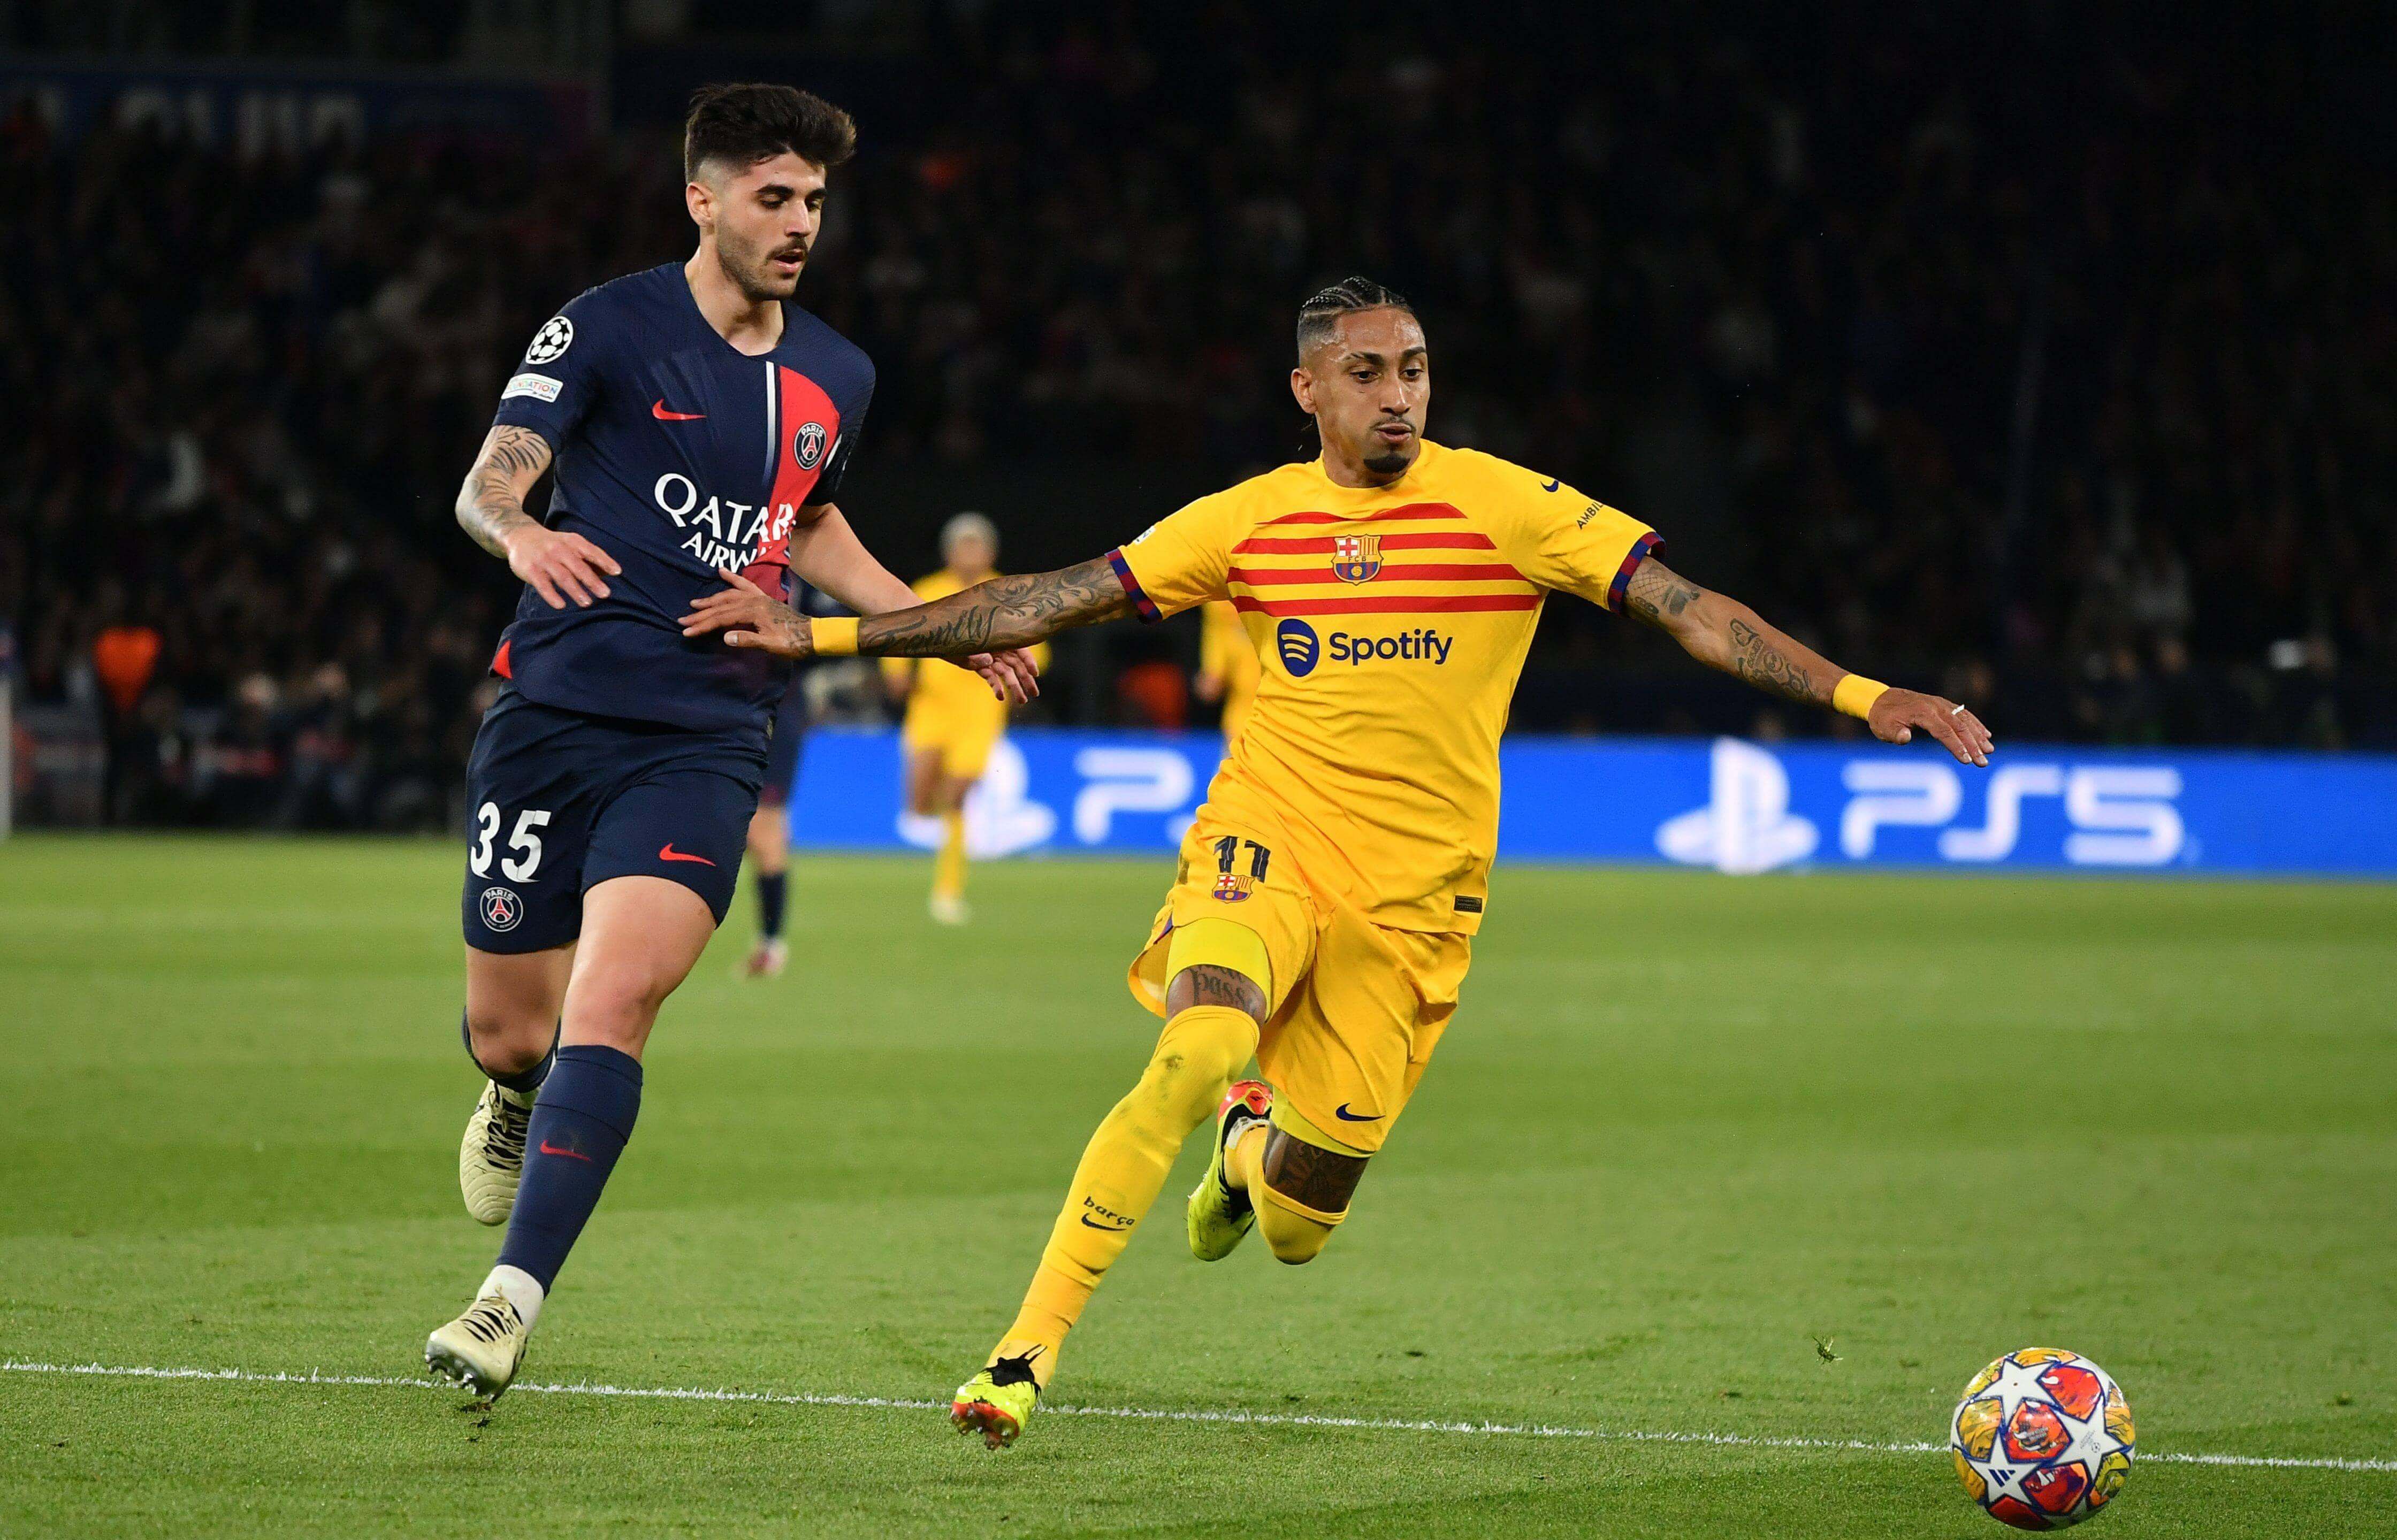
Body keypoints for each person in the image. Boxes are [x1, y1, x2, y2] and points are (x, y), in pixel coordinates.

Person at [678, 276, 1993, 1449]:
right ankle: (1023, 1354)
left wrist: (1861, 693)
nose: (1396, 395)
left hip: (1419, 906)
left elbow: (1692, 609)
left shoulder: (1509, 507)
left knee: (1303, 1227)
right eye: (1365, 372)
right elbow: (1047, 598)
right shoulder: (1250, 520)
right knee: (1193, 1051)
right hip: (1269, 840)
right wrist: (823, 641)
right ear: (1307, 389)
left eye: (1413, 368)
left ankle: (1251, 1159)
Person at [425, 82, 1036, 1401]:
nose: (802, 221)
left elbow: (809, 526)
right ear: (702, 199)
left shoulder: (840, 371)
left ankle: (504, 1304)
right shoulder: (604, 324)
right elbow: (492, 476)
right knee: (511, 1031)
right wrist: (523, 534)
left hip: (705, 732)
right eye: (774, 196)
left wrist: (943, 623)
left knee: (617, 1000)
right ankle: (514, 1095)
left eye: (816, 200)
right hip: (550, 717)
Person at [883, 512, 1045, 924]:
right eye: (962, 545)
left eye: (977, 545)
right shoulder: (927, 591)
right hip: (931, 707)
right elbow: (897, 633)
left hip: (980, 710)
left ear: (990, 552)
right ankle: (931, 870)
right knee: (920, 804)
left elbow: (1035, 648)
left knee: (956, 797)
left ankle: (948, 889)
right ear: (949, 551)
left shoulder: (1009, 594)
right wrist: (898, 675)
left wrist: (1018, 686)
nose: (969, 553)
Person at [741, 583, 844, 977]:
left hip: (776, 714)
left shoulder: (804, 579)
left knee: (765, 829)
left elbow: (835, 629)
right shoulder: (718, 552)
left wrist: (796, 635)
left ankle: (771, 944)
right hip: (712, 709)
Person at [1193, 598, 1259, 741]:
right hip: (1243, 715)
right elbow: (1217, 632)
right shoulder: (1217, 600)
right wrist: (1213, 671)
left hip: (1290, 712)